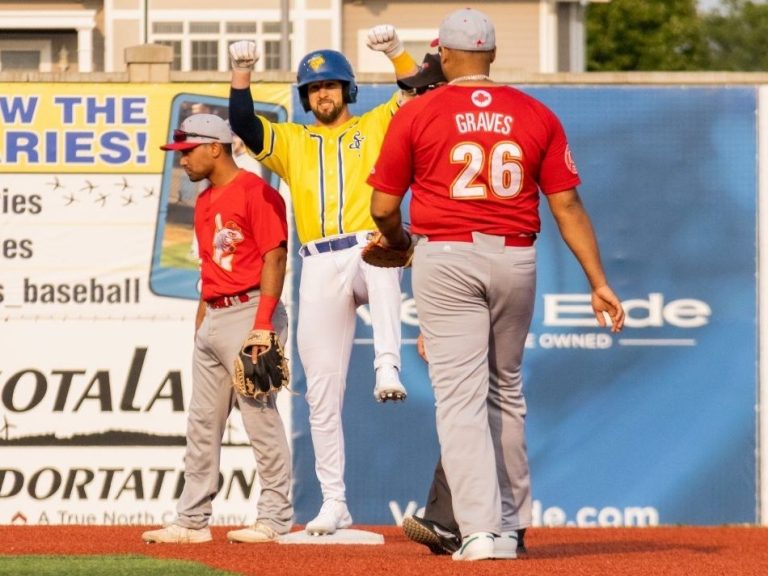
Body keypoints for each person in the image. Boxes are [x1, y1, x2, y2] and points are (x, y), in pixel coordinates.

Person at [367, 8, 625, 561]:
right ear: (492, 54)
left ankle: (479, 531)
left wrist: (400, 243)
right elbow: (567, 204)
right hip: (516, 258)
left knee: (460, 400)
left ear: (448, 57)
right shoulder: (536, 112)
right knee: (505, 389)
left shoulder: (419, 111)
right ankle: (510, 526)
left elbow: (383, 207)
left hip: (449, 253)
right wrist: (598, 281)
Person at [227, 27, 419, 536]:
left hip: (363, 245)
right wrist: (241, 74)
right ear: (304, 96)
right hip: (316, 263)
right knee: (320, 393)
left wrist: (396, 53)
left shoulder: (376, 124)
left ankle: (386, 366)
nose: (322, 94)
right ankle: (335, 502)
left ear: (348, 90)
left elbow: (417, 93)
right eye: (313, 88)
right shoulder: (291, 140)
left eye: (330, 85)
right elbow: (244, 123)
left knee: (381, 256)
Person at [142, 113, 293, 544]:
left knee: (259, 419)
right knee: (203, 422)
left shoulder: (257, 192)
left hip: (250, 313)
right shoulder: (205, 200)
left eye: (187, 152)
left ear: (214, 147)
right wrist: (201, 322)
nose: (182, 161)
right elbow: (211, 267)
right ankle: (192, 521)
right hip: (214, 315)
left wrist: (263, 326)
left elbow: (275, 258)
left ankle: (276, 518)